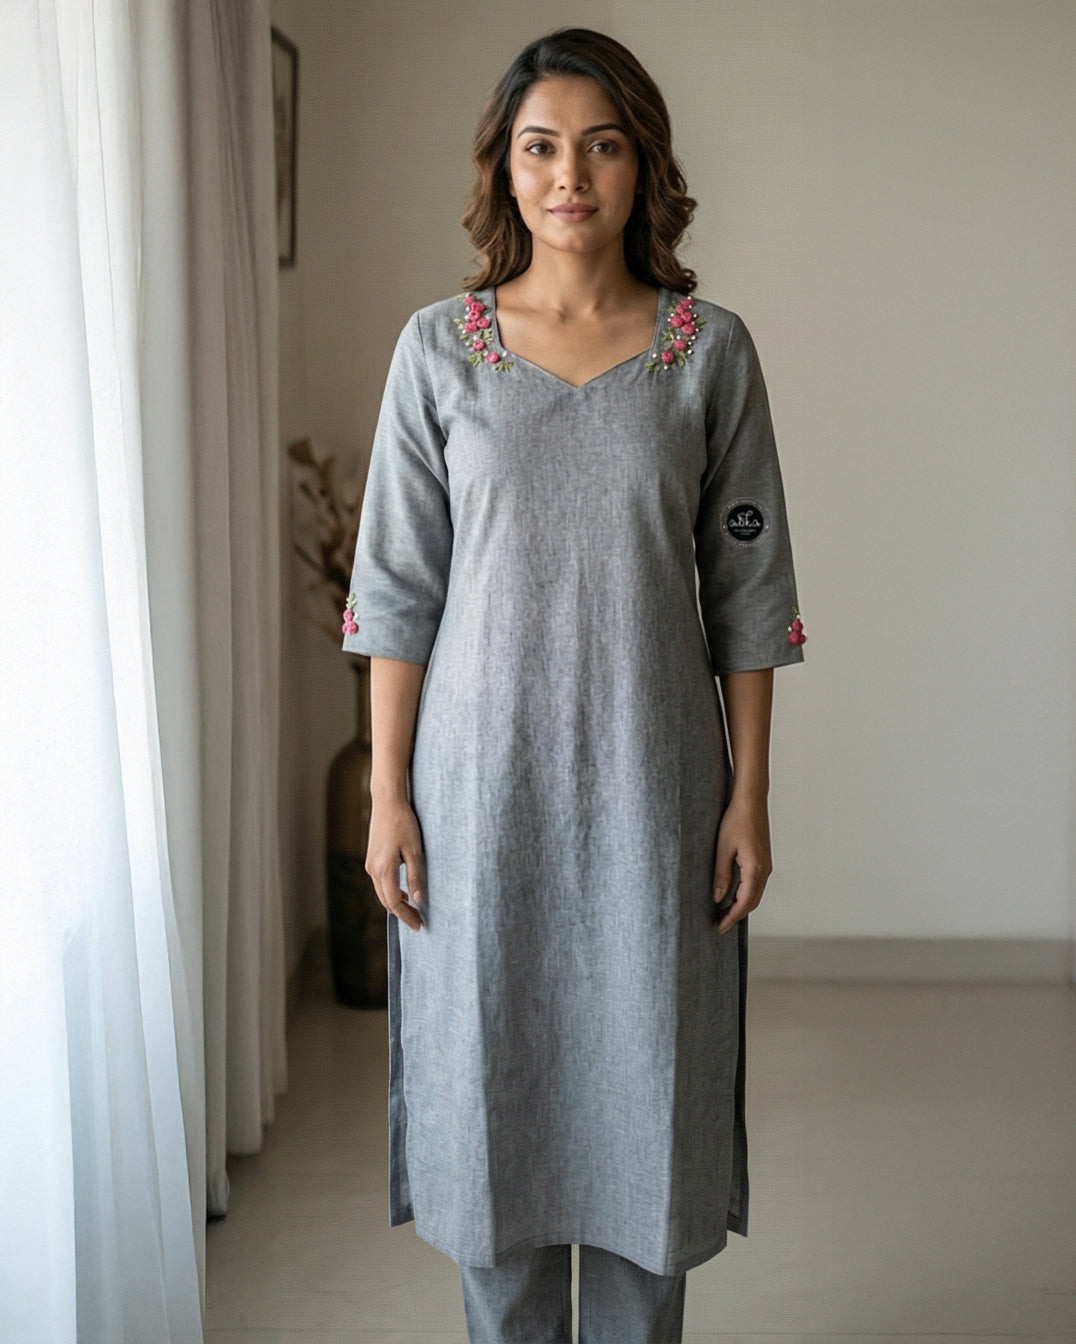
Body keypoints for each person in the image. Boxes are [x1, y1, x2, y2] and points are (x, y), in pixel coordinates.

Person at [341, 27, 806, 1344]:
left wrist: (750, 794)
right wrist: (389, 795)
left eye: (602, 146)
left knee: (649, 1098)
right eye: (541, 147)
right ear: (506, 167)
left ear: (641, 162)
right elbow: (397, 592)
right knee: (494, 1113)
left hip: (657, 792)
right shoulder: (439, 352)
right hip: (478, 798)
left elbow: (750, 595)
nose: (570, 176)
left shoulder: (709, 355)